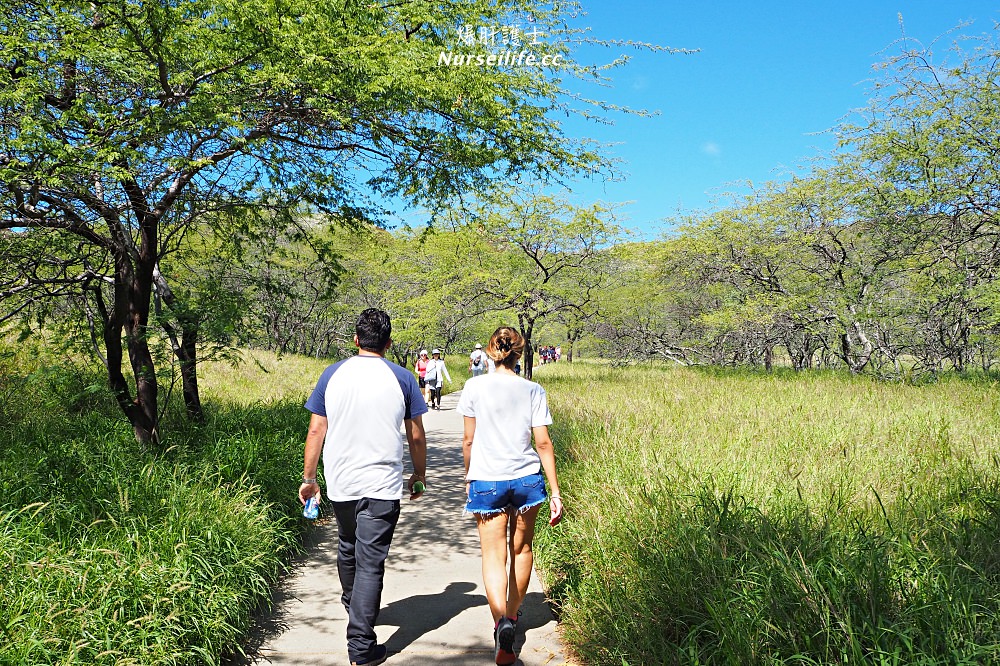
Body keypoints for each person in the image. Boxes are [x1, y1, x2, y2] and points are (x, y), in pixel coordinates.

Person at [300, 308, 428, 666]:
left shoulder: (332, 374)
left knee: (346, 545)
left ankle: (353, 604)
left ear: (356, 340)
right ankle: (360, 646)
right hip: (382, 485)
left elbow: (316, 430)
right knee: (370, 562)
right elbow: (416, 435)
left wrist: (310, 479)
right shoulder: (403, 378)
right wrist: (419, 474)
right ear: (388, 343)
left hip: (342, 481)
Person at [457, 326, 563, 665]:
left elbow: (469, 440)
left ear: (490, 351)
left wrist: (468, 476)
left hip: (486, 479)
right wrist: (556, 492)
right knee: (522, 548)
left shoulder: (474, 386)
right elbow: (543, 443)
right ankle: (513, 619)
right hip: (526, 480)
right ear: (520, 352)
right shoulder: (533, 389)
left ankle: (500, 619)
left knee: (493, 555)